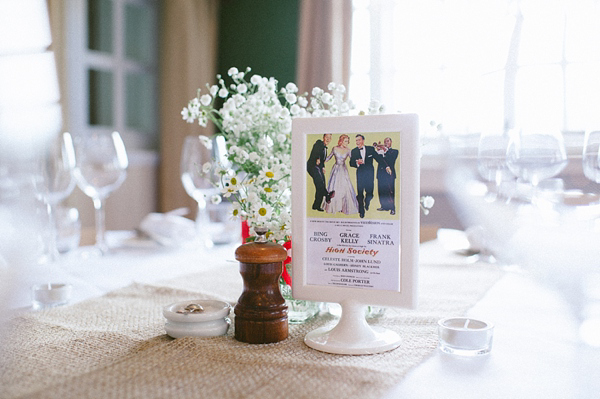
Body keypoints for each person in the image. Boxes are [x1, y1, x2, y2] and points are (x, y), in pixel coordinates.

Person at [323, 135, 359, 215]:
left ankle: (343, 208)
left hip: (343, 169)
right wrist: (321, 162)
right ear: (341, 141)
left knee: (344, 187)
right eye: (346, 141)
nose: (347, 143)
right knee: (334, 186)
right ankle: (335, 207)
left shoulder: (348, 150)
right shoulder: (335, 148)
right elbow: (328, 158)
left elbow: (352, 160)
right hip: (335, 169)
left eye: (348, 141)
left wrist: (358, 162)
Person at [349, 134, 377, 218]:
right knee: (360, 193)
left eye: (359, 140)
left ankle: (367, 201)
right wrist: (357, 162)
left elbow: (378, 158)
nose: (357, 142)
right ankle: (361, 211)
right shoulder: (354, 151)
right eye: (356, 140)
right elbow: (351, 163)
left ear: (363, 140)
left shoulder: (371, 149)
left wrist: (386, 166)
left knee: (370, 193)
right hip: (360, 174)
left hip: (369, 174)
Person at [307, 133, 334, 211]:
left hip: (319, 167)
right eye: (327, 137)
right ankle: (327, 194)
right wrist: (317, 158)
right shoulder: (319, 143)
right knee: (320, 182)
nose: (328, 139)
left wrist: (323, 167)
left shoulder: (325, 149)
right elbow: (316, 150)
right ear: (323, 137)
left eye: (329, 138)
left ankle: (316, 205)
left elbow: (322, 161)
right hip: (312, 166)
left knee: (321, 184)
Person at [374, 137, 398, 215]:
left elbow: (391, 160)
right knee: (381, 191)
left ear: (391, 142)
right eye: (385, 141)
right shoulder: (380, 152)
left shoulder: (394, 151)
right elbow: (379, 160)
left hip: (389, 174)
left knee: (390, 191)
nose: (386, 142)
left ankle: (392, 208)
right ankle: (384, 206)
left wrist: (384, 151)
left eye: (387, 141)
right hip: (381, 173)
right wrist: (379, 152)